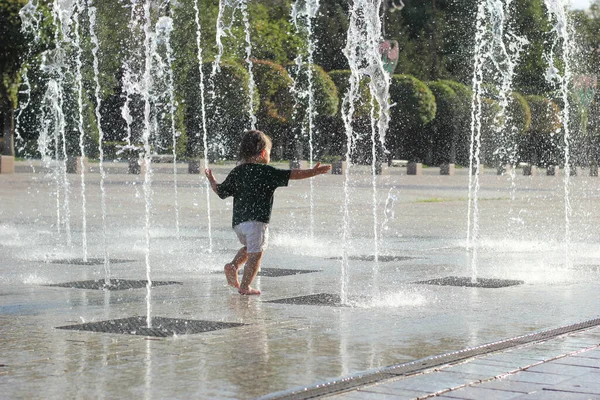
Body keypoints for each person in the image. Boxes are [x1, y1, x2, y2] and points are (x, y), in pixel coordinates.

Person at [205, 130, 331, 295]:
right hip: (257, 223)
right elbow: (293, 174)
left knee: (249, 247)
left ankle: (233, 265)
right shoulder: (267, 172)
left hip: (238, 224)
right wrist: (313, 172)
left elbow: (221, 192)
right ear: (264, 153)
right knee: (256, 255)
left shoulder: (238, 171)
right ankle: (245, 286)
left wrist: (212, 180)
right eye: (269, 152)